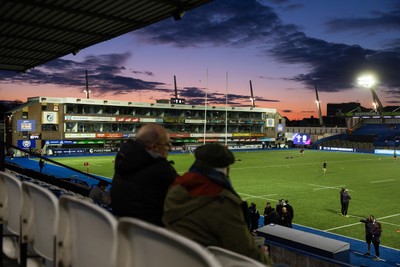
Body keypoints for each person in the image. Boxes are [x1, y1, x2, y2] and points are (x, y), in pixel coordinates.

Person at [163, 143, 270, 265]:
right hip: (208, 261)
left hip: (173, 257)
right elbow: (243, 249)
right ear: (227, 168)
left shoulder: (174, 190)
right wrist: (265, 259)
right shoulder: (224, 202)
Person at [111, 123, 178, 226]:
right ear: (154, 147)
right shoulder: (162, 170)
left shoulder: (124, 160)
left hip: (124, 230)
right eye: (166, 145)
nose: (169, 149)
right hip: (154, 234)